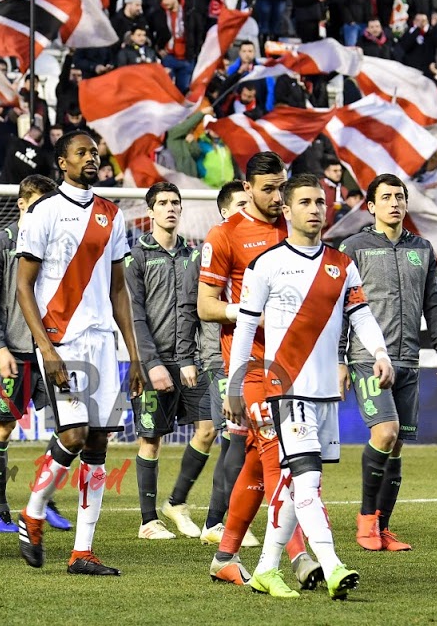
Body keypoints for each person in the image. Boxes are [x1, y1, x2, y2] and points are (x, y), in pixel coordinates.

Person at [228, 173, 392, 600]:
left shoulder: (342, 264)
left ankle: (265, 567)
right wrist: (233, 386)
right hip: (285, 388)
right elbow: (245, 330)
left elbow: (361, 316)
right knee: (307, 480)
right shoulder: (265, 264)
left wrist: (379, 352)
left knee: (289, 482)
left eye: (321, 202)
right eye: (306, 202)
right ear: (286, 210)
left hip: (324, 393)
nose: (316, 209)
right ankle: (333, 565)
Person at [15, 131, 145, 576]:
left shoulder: (113, 215)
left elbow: (117, 289)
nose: (91, 158)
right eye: (81, 153)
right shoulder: (42, 213)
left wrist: (134, 352)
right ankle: (32, 512)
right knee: (73, 435)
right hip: (62, 339)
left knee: (98, 443)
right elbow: (23, 286)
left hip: (103, 341)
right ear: (62, 163)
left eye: (94, 152)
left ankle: (82, 552)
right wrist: (46, 349)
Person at [200, 152, 321, 589]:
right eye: (268, 189)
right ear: (246, 188)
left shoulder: (294, 231)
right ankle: (299, 557)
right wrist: (252, 314)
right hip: (251, 366)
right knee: (280, 459)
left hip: (297, 365)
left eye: (280, 187)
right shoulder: (225, 234)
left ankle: (224, 557)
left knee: (254, 462)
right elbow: (205, 305)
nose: (276, 196)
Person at [338, 174, 437, 554]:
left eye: (400, 197)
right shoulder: (353, 247)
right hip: (366, 359)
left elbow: (435, 304)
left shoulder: (421, 248)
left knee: (397, 445)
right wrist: (340, 358)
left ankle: (383, 527)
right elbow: (340, 304)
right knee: (385, 433)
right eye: (386, 197)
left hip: (409, 360)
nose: (394, 202)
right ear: (371, 206)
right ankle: (365, 520)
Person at [0, 175, 73, 534]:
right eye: (36, 203)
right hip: (13, 354)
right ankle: (0, 510)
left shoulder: (58, 244)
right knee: (2, 428)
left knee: (69, 425)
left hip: (54, 352)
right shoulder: (0, 244)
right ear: (21, 203)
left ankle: (43, 500)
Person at [127, 181, 215, 541]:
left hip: (190, 361)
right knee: (151, 439)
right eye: (162, 203)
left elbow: (198, 310)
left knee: (209, 428)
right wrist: (151, 363)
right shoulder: (136, 257)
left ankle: (176, 502)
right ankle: (148, 521)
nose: (170, 208)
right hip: (152, 364)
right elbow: (134, 316)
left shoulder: (194, 256)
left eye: (175, 202)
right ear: (150, 212)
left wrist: (191, 357)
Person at [198, 182, 256, 545]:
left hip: (268, 357)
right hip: (228, 357)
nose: (246, 210)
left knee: (247, 442)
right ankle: (217, 523)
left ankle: (225, 522)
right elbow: (203, 308)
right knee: (233, 440)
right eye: (240, 204)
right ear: (224, 211)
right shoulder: (220, 242)